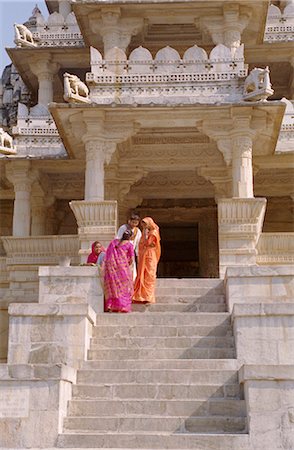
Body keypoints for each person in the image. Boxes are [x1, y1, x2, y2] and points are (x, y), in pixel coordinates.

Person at [104, 229, 135, 313]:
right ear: (131, 236)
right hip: (123, 269)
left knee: (114, 288)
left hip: (113, 269)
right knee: (124, 288)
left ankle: (112, 306)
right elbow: (131, 259)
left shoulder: (114, 243)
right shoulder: (129, 245)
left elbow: (108, 256)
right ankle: (122, 306)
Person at [133, 217, 161, 304]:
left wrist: (145, 235)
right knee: (143, 274)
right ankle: (140, 296)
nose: (144, 226)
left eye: (145, 224)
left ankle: (148, 296)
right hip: (145, 254)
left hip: (150, 255)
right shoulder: (148, 232)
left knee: (149, 275)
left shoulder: (153, 233)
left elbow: (148, 243)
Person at [116, 213, 142, 281]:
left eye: (136, 223)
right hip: (122, 252)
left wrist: (137, 254)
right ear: (129, 221)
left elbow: (138, 243)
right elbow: (118, 239)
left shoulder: (138, 231)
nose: (134, 224)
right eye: (133, 222)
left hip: (131, 253)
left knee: (131, 270)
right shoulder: (123, 228)